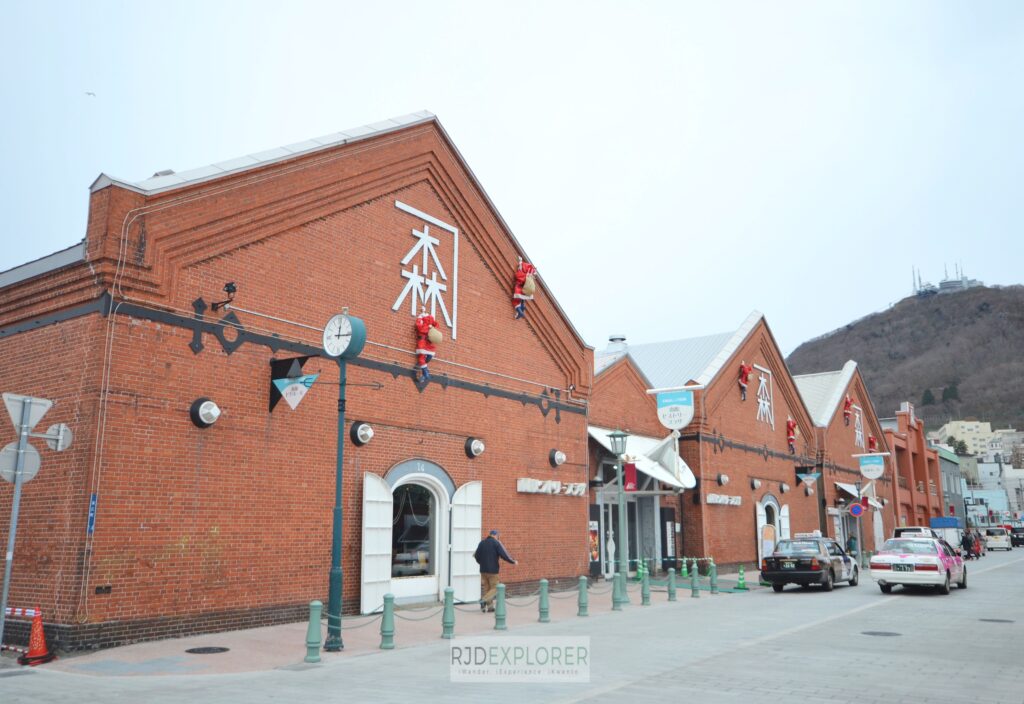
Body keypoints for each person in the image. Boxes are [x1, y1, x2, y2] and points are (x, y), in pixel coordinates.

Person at [474, 529, 517, 612]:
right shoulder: (496, 543)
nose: (498, 537)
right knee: (496, 588)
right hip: (493, 571)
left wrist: (481, 563)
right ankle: (483, 600)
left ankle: (490, 607)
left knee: (487, 589)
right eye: (498, 536)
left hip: (483, 570)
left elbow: (476, 556)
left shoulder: (482, 543)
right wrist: (512, 561)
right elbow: (504, 555)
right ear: (495, 535)